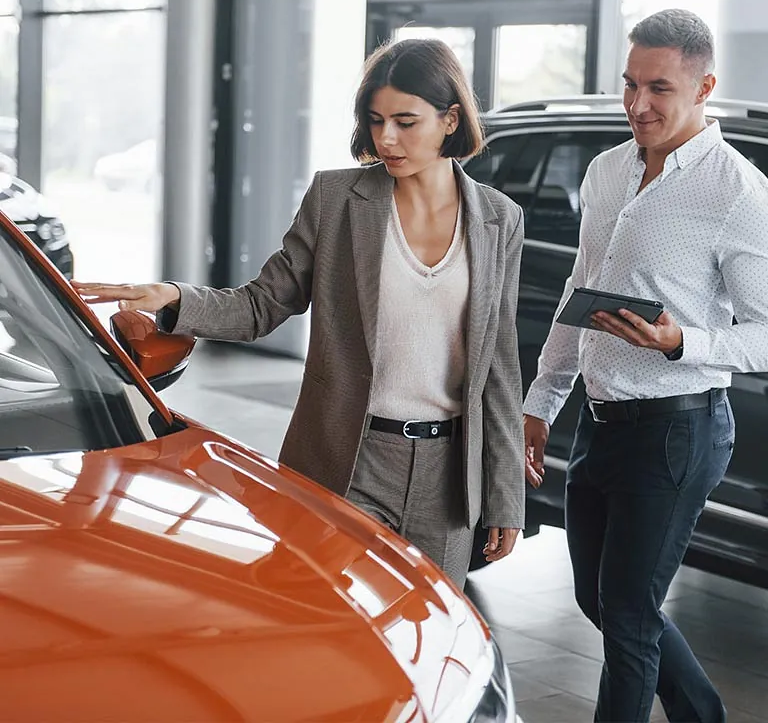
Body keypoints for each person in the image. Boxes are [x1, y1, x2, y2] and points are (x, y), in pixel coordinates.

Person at [74, 38, 526, 588]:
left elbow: (498, 366)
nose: (386, 138)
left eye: (406, 122)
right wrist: (173, 299)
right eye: (377, 120)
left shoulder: (500, 219)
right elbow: (261, 304)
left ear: (450, 119)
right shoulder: (337, 199)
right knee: (331, 631)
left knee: (426, 646)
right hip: (348, 460)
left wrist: (505, 495)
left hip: (448, 476)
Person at [522, 8, 768, 722]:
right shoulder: (606, 170)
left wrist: (682, 343)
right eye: (630, 84)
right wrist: (542, 401)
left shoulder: (736, 193)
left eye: (659, 88)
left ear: (704, 87)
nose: (637, 105)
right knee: (598, 601)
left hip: (678, 431)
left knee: (629, 614)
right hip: (601, 422)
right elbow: (578, 290)